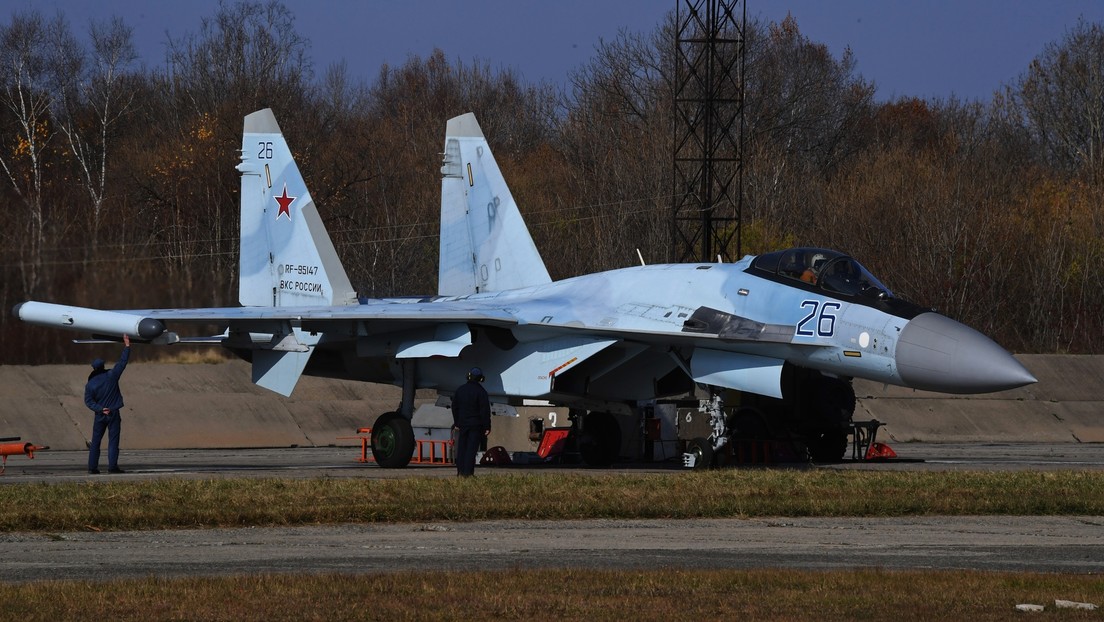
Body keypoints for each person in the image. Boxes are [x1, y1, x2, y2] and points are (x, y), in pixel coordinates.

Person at [84, 334, 131, 474]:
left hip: (99, 415)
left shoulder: (90, 385)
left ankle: (92, 468)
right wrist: (127, 346)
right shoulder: (111, 375)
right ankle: (112, 467)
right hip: (113, 412)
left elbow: (88, 401)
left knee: (96, 442)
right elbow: (122, 362)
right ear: (103, 366)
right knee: (113, 441)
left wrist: (100, 409)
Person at [451, 366, 491, 477]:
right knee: (471, 450)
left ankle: (460, 471)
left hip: (462, 424)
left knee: (461, 448)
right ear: (480, 378)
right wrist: (487, 426)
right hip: (475, 425)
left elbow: (454, 407)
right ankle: (468, 473)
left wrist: (457, 422)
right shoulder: (481, 392)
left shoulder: (460, 390)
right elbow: (485, 411)